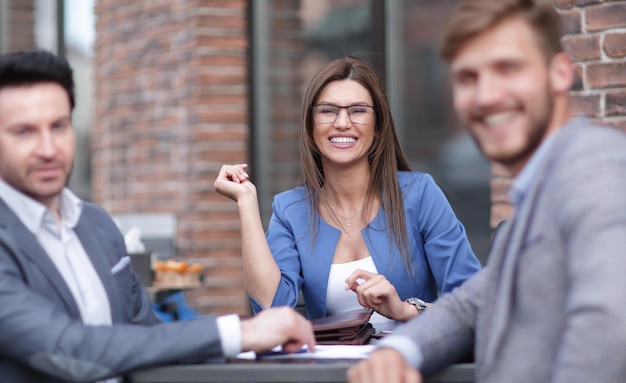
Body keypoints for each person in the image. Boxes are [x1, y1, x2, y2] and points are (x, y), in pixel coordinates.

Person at [347, 0, 626, 382]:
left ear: (559, 73)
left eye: (507, 68)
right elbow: (473, 304)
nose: (486, 95)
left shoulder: (596, 170)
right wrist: (400, 350)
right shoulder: (540, 191)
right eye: (467, 78)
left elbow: (609, 333)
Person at [0, 49, 316, 383]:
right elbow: (69, 350)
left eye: (59, 126)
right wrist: (240, 333)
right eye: (24, 132)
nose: (48, 148)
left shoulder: (96, 224)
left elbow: (150, 338)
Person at [214, 56, 481, 332]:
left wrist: (405, 310)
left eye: (358, 110)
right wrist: (245, 202)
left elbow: (474, 304)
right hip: (334, 371)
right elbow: (271, 306)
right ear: (310, 125)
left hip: (412, 367)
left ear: (378, 125)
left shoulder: (419, 194)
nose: (342, 122)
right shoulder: (289, 210)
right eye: (328, 111)